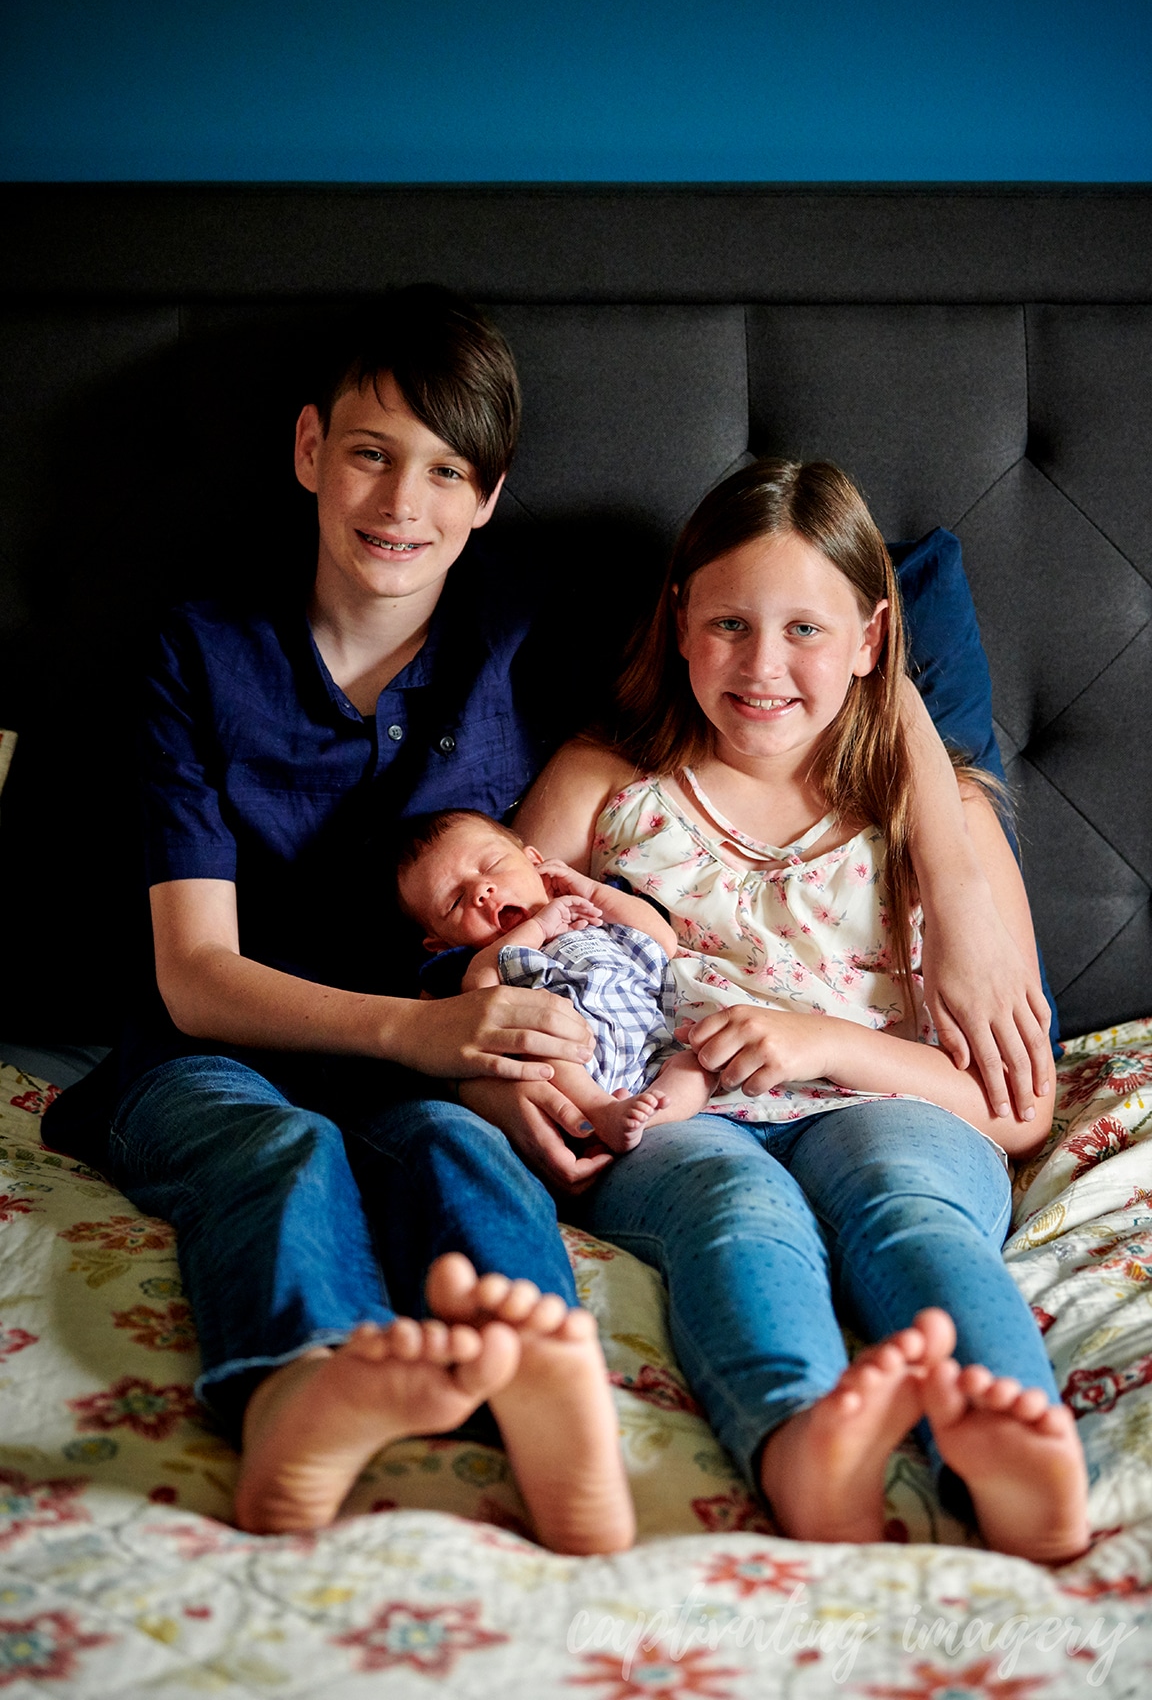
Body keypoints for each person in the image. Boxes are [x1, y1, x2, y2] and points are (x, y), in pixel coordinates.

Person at [42, 285, 634, 1554]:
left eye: (443, 471)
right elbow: (197, 974)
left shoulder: (525, 631)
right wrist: (425, 1038)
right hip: (213, 1053)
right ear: (311, 450)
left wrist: (948, 820)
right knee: (277, 1158)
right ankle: (306, 1385)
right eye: (370, 454)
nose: (400, 503)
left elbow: (800, 616)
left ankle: (535, 1381)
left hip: (432, 1076)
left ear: (487, 495)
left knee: (463, 1158)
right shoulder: (197, 653)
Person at [510, 457, 1089, 1563]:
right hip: (678, 1117)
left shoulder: (940, 816)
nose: (762, 665)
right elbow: (497, 979)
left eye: (806, 631)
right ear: (678, 623)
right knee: (736, 1214)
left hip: (894, 1106)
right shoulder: (605, 786)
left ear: (873, 638)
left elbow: (1015, 1115)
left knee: (907, 1203)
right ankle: (799, 1443)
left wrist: (824, 1043)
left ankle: (1017, 1441)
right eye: (728, 622)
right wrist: (528, 1090)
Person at [395, 808, 718, 1151]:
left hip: (654, 1044)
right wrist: (540, 926)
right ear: (441, 943)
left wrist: (591, 892)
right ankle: (602, 1111)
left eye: (491, 866)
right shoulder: (479, 960)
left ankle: (644, 1120)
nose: (482, 890)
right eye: (456, 901)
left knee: (698, 1065)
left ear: (535, 861)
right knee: (540, 1046)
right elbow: (481, 993)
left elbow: (663, 940)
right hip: (573, 1060)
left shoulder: (595, 912)